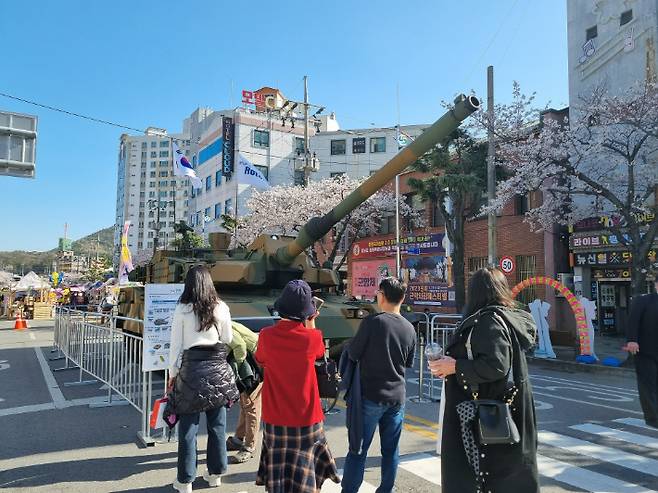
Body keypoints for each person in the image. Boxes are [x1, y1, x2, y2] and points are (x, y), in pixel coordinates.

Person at [429, 267, 539, 493]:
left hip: (485, 414)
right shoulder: (507, 317)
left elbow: (496, 365)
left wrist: (455, 366)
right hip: (504, 412)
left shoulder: (489, 321)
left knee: (482, 475)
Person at [254, 279, 340, 493]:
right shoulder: (312, 338)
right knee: (309, 472)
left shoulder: (266, 336)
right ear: (307, 313)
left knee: (279, 473)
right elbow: (319, 354)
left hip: (276, 418)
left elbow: (260, 359)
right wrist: (311, 324)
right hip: (307, 418)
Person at [341, 277, 416, 493]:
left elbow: (354, 353)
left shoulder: (373, 322)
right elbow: (409, 363)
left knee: (358, 450)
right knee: (391, 450)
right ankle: (386, 489)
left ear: (381, 296)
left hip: (370, 396)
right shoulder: (409, 328)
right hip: (397, 398)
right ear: (402, 298)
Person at [168, 266, 239, 493]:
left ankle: (185, 480)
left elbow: (176, 346)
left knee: (188, 429)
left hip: (191, 371)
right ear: (209, 283)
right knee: (218, 426)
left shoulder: (182, 309)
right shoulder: (222, 307)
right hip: (217, 368)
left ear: (189, 284)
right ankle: (215, 474)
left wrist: (172, 374)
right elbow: (227, 338)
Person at [226, 321, 262, 463]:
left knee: (251, 404)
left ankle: (249, 446)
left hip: (252, 363)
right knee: (245, 402)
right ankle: (238, 439)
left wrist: (238, 369)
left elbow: (240, 346)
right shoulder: (218, 322)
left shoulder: (219, 325)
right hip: (249, 358)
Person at [626, 279, 658, 428]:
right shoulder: (644, 300)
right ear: (656, 285)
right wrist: (632, 340)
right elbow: (633, 321)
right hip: (646, 351)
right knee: (648, 385)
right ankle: (653, 418)